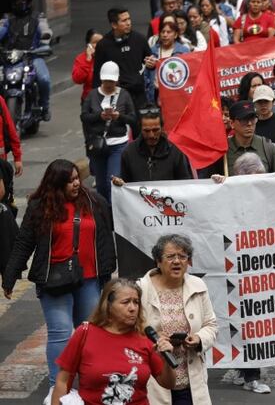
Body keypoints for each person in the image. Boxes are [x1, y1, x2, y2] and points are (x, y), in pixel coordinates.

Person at [2, 159, 115, 393]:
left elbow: (110, 233)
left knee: (88, 334)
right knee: (60, 332)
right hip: (54, 279)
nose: (76, 184)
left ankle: (89, 385)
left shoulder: (95, 202)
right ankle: (57, 389)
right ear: (56, 183)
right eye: (69, 180)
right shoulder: (39, 206)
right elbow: (24, 243)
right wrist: (10, 276)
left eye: (77, 178)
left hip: (89, 279)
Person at [51, 278, 175, 405]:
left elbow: (168, 383)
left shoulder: (145, 338)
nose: (133, 308)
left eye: (136, 302)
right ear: (108, 306)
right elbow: (63, 381)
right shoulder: (85, 333)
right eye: (126, 302)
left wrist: (166, 362)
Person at [138, 234, 218, 404]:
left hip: (191, 383)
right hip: (154, 382)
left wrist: (198, 339)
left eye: (182, 256)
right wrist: (154, 340)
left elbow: (211, 325)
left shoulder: (198, 285)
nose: (177, 261)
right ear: (158, 261)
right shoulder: (140, 290)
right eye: (170, 256)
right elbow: (128, 333)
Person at [80, 61, 137, 205]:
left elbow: (133, 118)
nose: (109, 84)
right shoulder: (92, 95)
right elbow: (84, 117)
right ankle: (104, 211)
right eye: (106, 80)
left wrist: (119, 117)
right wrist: (99, 116)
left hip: (118, 144)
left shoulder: (124, 95)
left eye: (111, 81)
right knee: (101, 184)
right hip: (98, 145)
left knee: (112, 181)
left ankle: (114, 212)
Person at [0, 0, 52, 121]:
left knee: (44, 79)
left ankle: (44, 107)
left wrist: (46, 38)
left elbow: (45, 30)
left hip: (32, 56)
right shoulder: (7, 19)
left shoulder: (38, 18)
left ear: (29, 2)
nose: (20, 2)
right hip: (10, 58)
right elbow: (1, 30)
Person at [94, 7, 156, 110]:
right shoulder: (103, 45)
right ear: (114, 25)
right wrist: (97, 101)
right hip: (116, 96)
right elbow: (97, 75)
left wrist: (152, 64)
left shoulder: (140, 39)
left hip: (138, 94)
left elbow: (150, 61)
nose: (128, 23)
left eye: (129, 19)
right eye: (124, 20)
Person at [113, 109, 192, 186]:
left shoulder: (176, 152)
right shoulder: (129, 153)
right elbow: (125, 183)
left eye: (155, 130)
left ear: (162, 128)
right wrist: (119, 183)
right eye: (147, 131)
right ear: (141, 129)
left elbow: (186, 183)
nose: (151, 135)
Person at [204, 101, 275, 176]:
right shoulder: (222, 151)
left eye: (252, 119)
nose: (249, 124)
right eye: (243, 120)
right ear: (232, 123)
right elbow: (210, 182)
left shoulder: (268, 148)